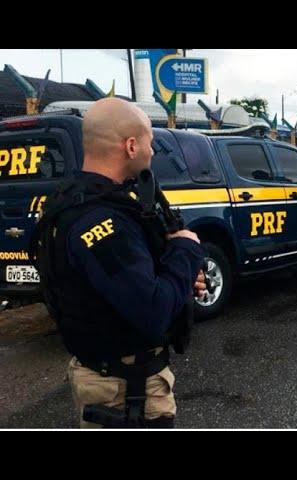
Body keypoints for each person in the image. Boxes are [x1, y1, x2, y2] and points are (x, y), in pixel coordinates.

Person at [31, 98, 206, 428]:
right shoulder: (100, 220)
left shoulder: (74, 202)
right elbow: (152, 311)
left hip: (114, 380)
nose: (153, 152)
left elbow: (119, 284)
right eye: (151, 143)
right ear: (131, 146)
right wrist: (186, 249)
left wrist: (177, 278)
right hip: (126, 393)